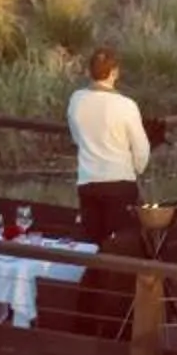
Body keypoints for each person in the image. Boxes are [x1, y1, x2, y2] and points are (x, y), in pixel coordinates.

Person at [67, 46, 150, 244]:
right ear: (114, 72)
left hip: (88, 181)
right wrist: (137, 168)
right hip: (119, 182)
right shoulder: (126, 105)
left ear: (90, 71)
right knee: (121, 244)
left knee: (92, 243)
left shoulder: (76, 100)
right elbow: (141, 148)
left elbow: (77, 137)